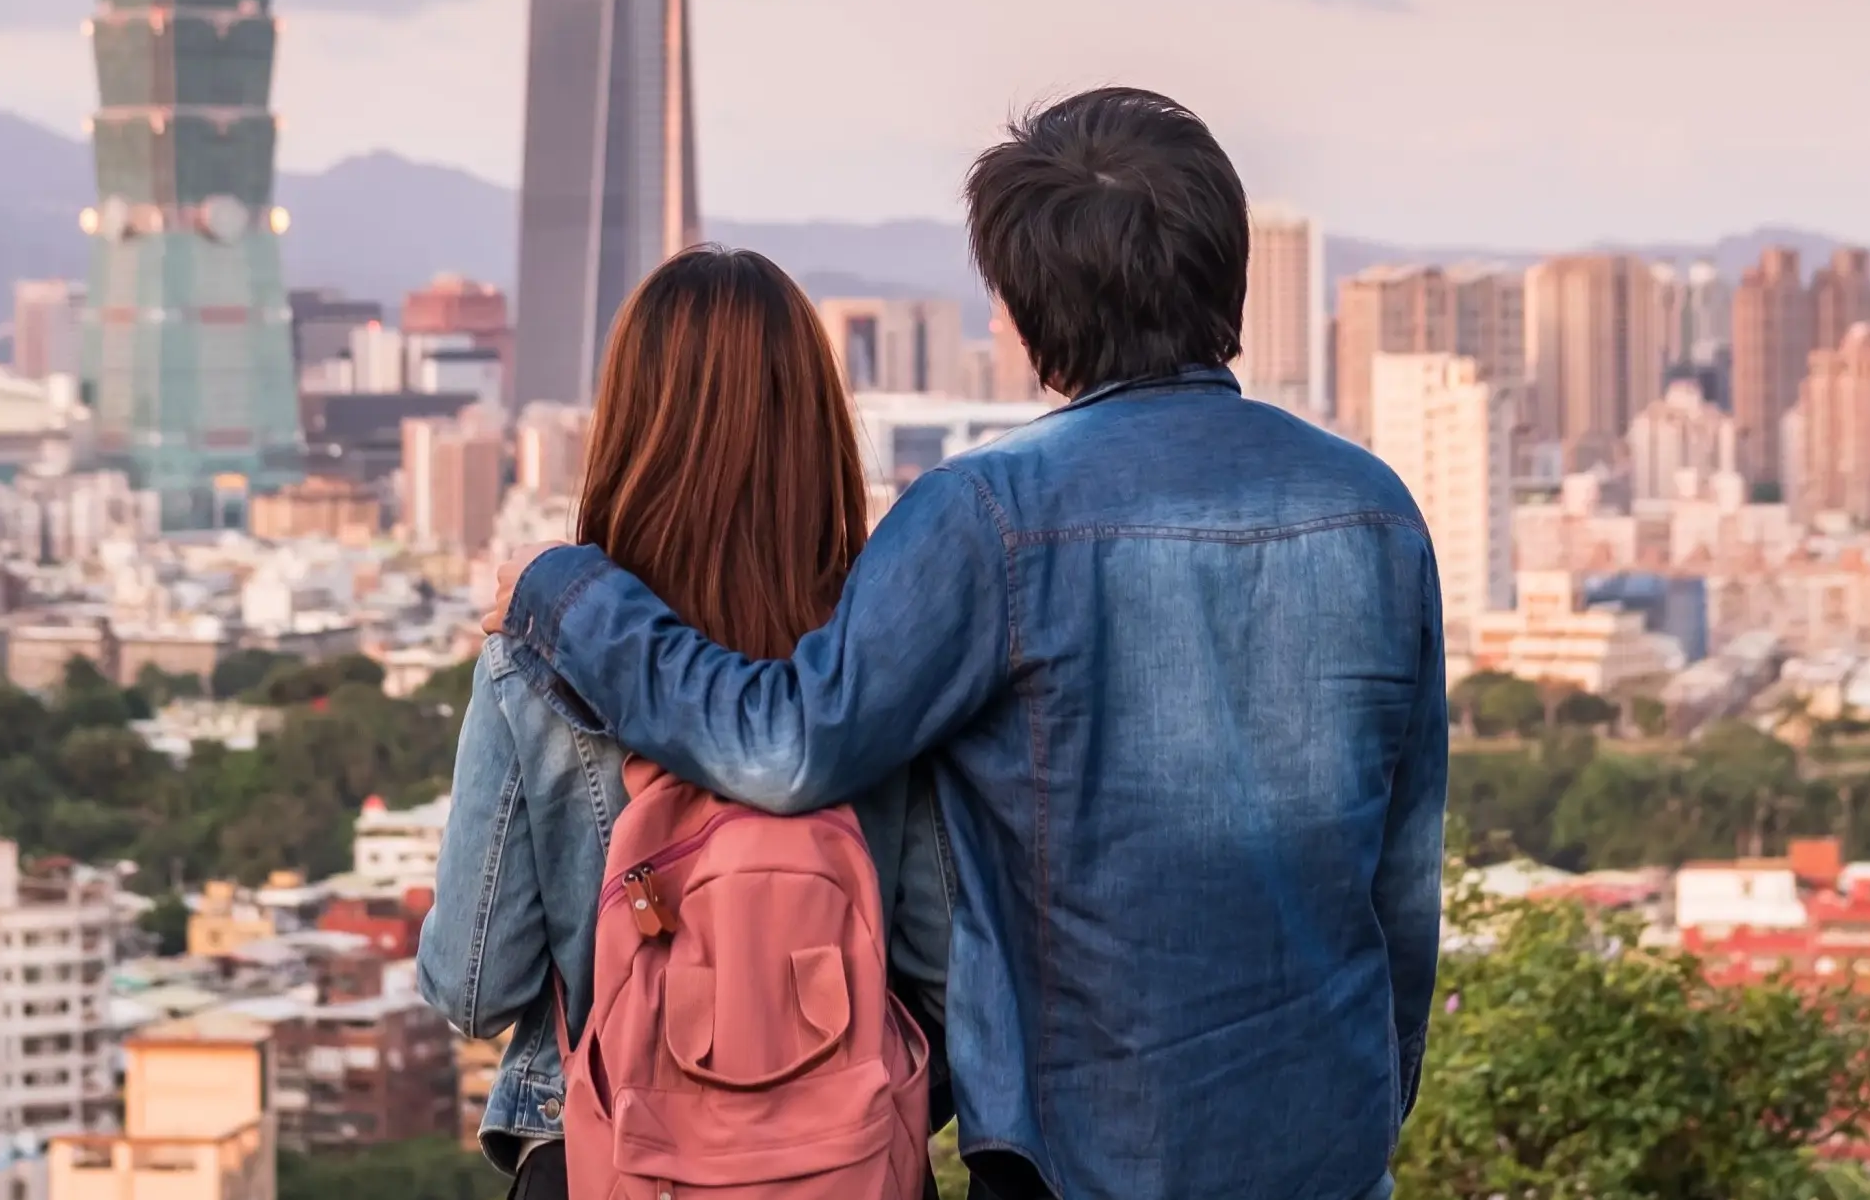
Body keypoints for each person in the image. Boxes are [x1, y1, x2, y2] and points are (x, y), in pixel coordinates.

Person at [494, 89, 1446, 1200]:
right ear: (1224, 269)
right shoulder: (1374, 507)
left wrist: (567, 594)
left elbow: (786, 742)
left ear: (1029, 315)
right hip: (1326, 1151)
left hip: (1079, 1162)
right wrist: (1372, 1106)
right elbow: (1400, 883)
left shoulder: (986, 518)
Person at [418, 246, 950, 1198]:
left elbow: (473, 984)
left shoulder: (531, 664)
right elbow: (942, 968)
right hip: (847, 1164)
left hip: (601, 1160)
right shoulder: (878, 657)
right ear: (818, 428)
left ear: (626, 427)